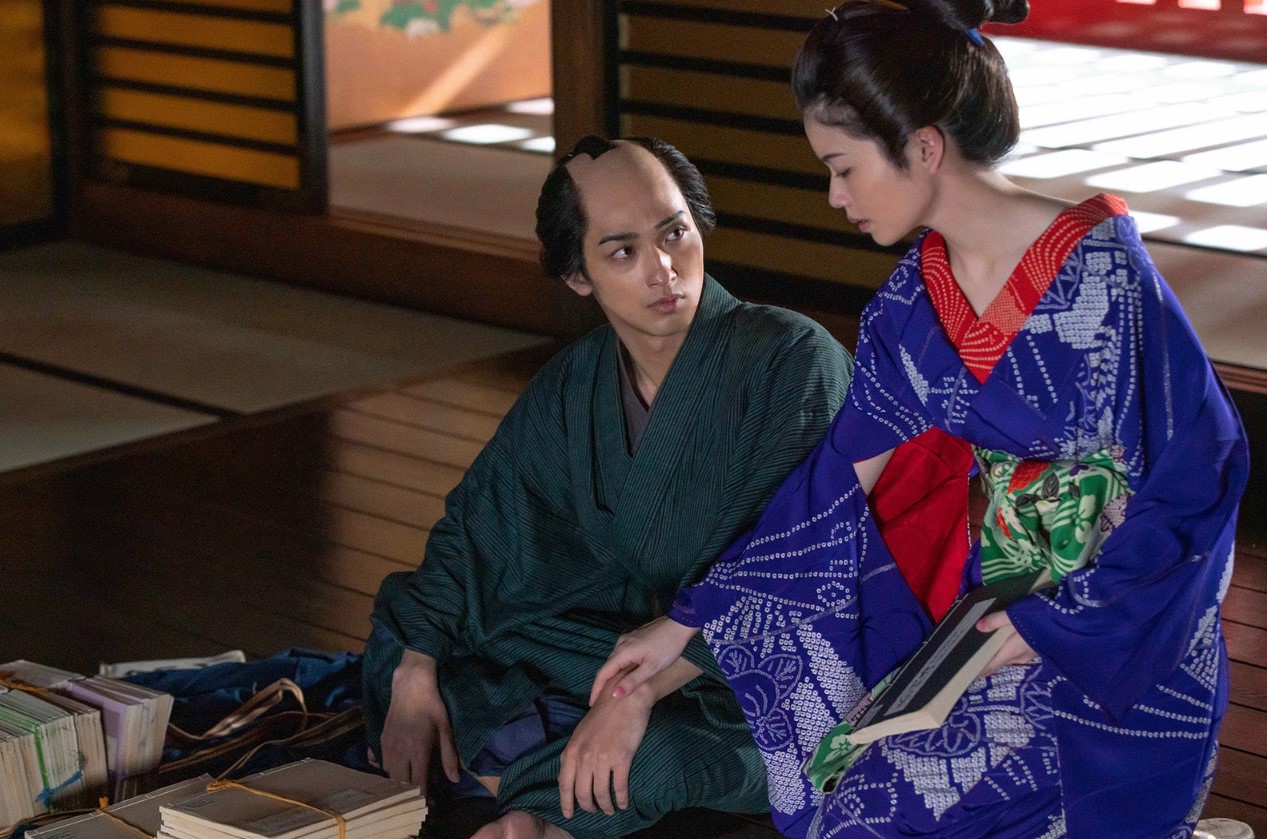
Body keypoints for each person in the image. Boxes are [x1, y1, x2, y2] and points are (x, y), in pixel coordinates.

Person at [591, 2, 1250, 838]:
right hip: (994, 628)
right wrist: (686, 621)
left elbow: (1198, 479)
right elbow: (832, 484)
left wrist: (1059, 622)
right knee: (856, 810)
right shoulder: (912, 306)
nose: (834, 196)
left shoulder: (1103, 275)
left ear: (924, 148)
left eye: (842, 168)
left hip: (1123, 643)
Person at [361, 135, 854, 839]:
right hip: (632, 649)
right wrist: (415, 666)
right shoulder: (579, 380)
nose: (663, 269)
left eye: (674, 233)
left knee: (667, 755)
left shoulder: (791, 360)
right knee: (410, 652)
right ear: (577, 276)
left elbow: (797, 566)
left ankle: (535, 808)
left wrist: (635, 694)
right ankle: (547, 772)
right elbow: (481, 527)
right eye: (622, 251)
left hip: (766, 671)